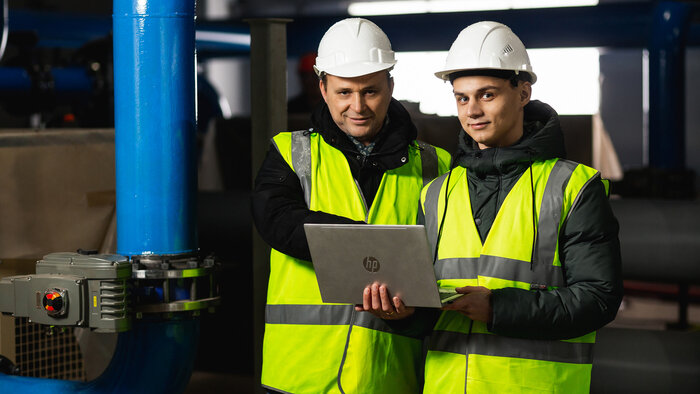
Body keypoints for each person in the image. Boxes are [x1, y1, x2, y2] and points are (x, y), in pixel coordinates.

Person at [365, 21, 623, 392]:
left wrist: (498, 309)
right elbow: (427, 302)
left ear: (523, 92)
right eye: (462, 97)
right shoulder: (437, 193)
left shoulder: (573, 187)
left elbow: (599, 299)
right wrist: (403, 314)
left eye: (487, 95)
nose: (472, 111)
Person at [251, 18, 451, 393]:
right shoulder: (291, 153)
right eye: (344, 92)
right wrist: (376, 248)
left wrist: (412, 314)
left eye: (371, 91)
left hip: (387, 374)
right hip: (299, 374)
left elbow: (447, 263)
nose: (357, 106)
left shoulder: (435, 165)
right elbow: (277, 219)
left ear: (391, 86)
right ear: (322, 87)